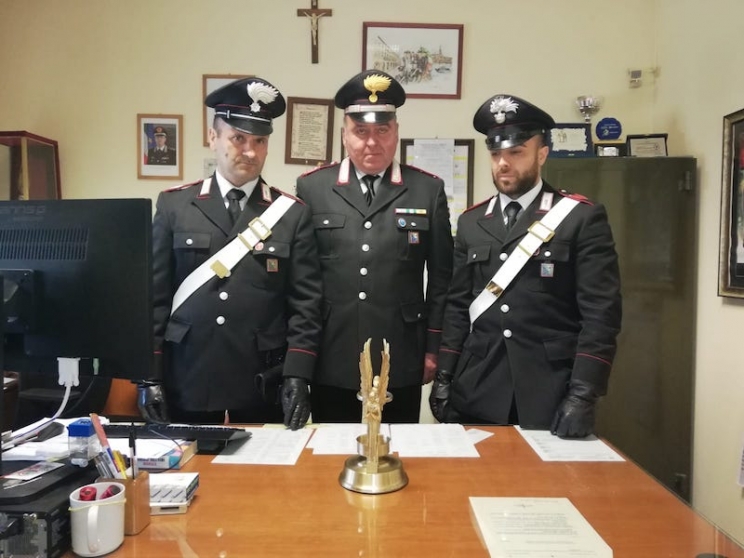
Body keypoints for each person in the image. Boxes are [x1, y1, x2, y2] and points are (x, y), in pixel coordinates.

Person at [430, 93, 622, 438]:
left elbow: (601, 315)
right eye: (496, 154)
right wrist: (444, 375)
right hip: (478, 386)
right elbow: (457, 306)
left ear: (542, 154)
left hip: (550, 390)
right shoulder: (472, 222)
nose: (503, 163)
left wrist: (583, 393)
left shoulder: (579, 217)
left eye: (516, 152)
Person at [138, 77, 323, 430]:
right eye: (238, 138)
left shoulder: (291, 213)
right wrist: (149, 377)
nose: (250, 152)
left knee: (267, 464)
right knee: (189, 463)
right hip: (188, 374)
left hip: (261, 379)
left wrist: (298, 374)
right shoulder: (176, 205)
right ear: (213, 137)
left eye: (260, 141)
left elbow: (305, 305)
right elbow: (154, 299)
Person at [295, 70, 453, 423]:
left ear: (396, 132)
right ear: (344, 135)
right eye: (360, 131)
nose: (372, 142)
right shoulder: (313, 188)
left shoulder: (427, 190)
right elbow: (302, 282)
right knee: (330, 450)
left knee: (398, 449)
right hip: (331, 354)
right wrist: (300, 360)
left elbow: (442, 280)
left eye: (382, 130)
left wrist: (434, 348)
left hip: (401, 354)